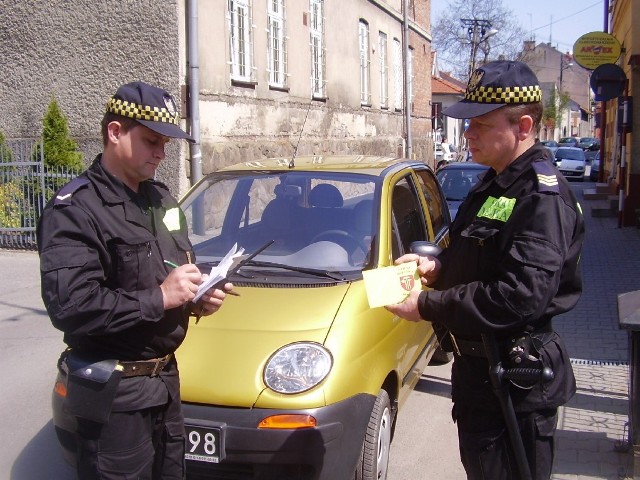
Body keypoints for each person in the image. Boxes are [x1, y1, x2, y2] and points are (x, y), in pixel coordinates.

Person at [386, 61, 584, 479]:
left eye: (480, 123)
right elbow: (481, 257)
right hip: (484, 375)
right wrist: (437, 268)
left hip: (515, 379)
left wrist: (427, 304)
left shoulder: (539, 197)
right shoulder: (496, 184)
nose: (467, 133)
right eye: (466, 123)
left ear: (524, 125)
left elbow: (519, 296)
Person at [37, 81, 233, 479]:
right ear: (114, 132)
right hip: (114, 397)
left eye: (166, 143)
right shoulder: (75, 210)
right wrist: (160, 298)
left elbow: (176, 267)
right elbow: (71, 308)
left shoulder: (162, 200)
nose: (162, 153)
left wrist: (198, 297)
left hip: (164, 384)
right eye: (151, 141)